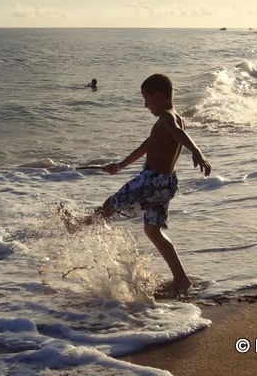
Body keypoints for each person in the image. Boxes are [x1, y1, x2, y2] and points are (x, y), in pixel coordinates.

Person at [62, 73, 211, 294]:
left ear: (159, 97)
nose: (145, 105)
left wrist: (197, 151)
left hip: (152, 182)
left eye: (146, 99)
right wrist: (120, 165)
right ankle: (181, 279)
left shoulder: (169, 117)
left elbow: (179, 134)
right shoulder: (171, 118)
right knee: (153, 231)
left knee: (111, 204)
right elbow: (146, 146)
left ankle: (79, 225)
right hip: (166, 184)